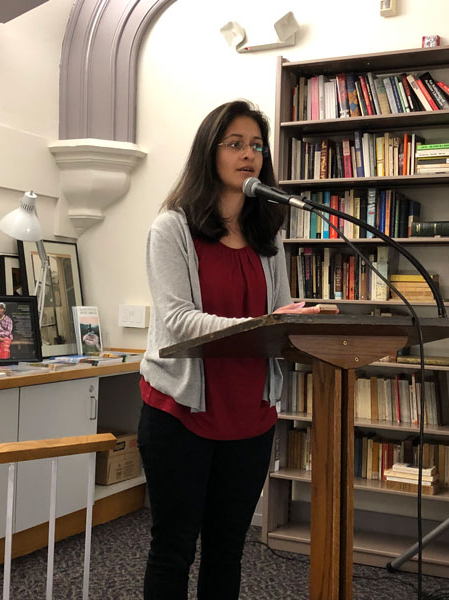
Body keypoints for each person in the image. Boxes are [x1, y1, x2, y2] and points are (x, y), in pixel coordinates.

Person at [137, 99, 321, 600]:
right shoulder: (171, 228)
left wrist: (306, 323)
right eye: (235, 144)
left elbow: (279, 315)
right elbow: (176, 324)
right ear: (209, 153)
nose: (249, 155)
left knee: (228, 548)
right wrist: (266, 323)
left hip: (250, 414)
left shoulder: (269, 237)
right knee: (174, 546)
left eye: (257, 146)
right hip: (182, 413)